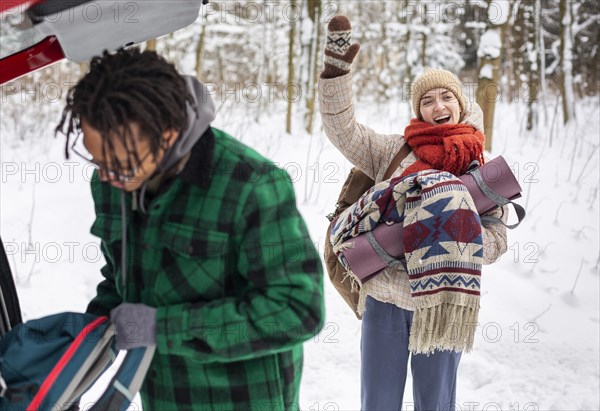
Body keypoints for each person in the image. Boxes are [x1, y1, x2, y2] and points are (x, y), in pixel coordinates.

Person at [56, 47, 325, 411]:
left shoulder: (252, 186)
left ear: (167, 133)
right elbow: (123, 278)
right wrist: (83, 339)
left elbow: (298, 311)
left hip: (245, 399)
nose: (105, 176)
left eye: (119, 162)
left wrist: (162, 328)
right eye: (97, 158)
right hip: (165, 397)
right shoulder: (111, 183)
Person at [319, 16, 508, 411]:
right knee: (379, 403)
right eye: (427, 100)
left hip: (444, 303)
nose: (438, 105)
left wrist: (451, 239)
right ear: (418, 111)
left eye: (446, 97)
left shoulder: (477, 166)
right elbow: (342, 129)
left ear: (460, 104)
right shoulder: (393, 151)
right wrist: (336, 73)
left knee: (436, 405)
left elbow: (497, 237)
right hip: (386, 298)